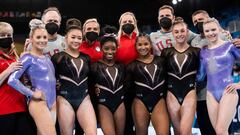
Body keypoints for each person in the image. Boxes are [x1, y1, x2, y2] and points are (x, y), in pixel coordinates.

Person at [8, 19, 57, 135]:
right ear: (31, 39)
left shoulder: (47, 58)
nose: (42, 40)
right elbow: (12, 80)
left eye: (44, 37)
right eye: (38, 37)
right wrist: (32, 93)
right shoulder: (27, 58)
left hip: (53, 102)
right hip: (39, 102)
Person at [191, 10, 235, 135]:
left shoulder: (223, 36)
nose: (198, 23)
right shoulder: (194, 40)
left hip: (222, 90)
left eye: (201, 19)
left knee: (223, 130)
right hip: (201, 94)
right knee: (206, 129)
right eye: (195, 21)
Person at [51, 18, 97, 135]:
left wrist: (97, 86)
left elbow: (92, 78)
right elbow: (51, 79)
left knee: (92, 132)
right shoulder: (57, 57)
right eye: (73, 37)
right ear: (66, 38)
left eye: (79, 38)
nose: (76, 40)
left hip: (84, 99)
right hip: (64, 99)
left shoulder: (86, 58)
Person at [161, 21, 200, 135]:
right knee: (177, 132)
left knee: (185, 131)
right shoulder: (166, 52)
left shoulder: (196, 52)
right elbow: (162, 74)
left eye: (182, 31)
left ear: (187, 32)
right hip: (171, 93)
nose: (180, 34)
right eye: (176, 32)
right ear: (172, 33)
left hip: (189, 92)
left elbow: (201, 73)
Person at [127, 33, 169, 135]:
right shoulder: (131, 66)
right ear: (136, 46)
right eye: (139, 45)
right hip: (140, 102)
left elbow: (168, 80)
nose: (143, 47)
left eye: (146, 44)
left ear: (150, 45)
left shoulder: (161, 61)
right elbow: (128, 89)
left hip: (159, 101)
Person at [0, 22, 35, 135]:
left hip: (21, 107)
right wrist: (9, 70)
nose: (6, 38)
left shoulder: (15, 56)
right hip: (3, 109)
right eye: (2, 35)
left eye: (9, 35)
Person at [90, 25, 125, 135]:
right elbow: (88, 85)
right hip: (103, 104)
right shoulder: (95, 67)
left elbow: (127, 84)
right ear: (101, 48)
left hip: (120, 103)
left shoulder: (121, 66)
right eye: (106, 48)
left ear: (117, 48)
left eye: (113, 49)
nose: (110, 51)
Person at [116, 11, 139, 135]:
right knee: (126, 120)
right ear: (120, 24)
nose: (127, 24)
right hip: (122, 84)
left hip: (140, 82)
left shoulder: (141, 39)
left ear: (135, 23)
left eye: (130, 21)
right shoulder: (116, 41)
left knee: (139, 118)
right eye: (125, 22)